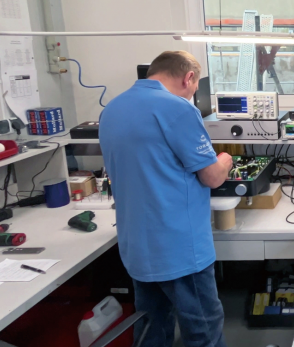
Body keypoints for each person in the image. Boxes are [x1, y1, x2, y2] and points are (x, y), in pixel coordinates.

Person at [99, 51, 233, 347]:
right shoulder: (178, 108)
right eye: (195, 87)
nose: (193, 94)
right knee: (204, 333)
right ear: (189, 78)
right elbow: (212, 177)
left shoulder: (112, 109)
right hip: (180, 251)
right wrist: (224, 159)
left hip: (137, 248)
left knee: (152, 330)